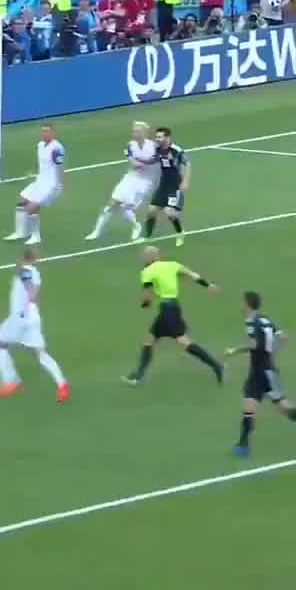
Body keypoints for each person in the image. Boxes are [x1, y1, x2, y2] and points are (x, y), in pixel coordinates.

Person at [124, 245, 223, 386]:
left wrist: (145, 303)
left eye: (144, 255)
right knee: (149, 340)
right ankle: (138, 375)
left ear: (149, 257)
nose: (142, 258)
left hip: (167, 311)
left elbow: (147, 293)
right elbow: (192, 275)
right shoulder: (172, 265)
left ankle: (216, 365)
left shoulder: (147, 272)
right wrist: (208, 285)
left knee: (183, 341)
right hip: (173, 308)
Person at [0, 247, 70, 403]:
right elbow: (34, 292)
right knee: (40, 353)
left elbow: (29, 287)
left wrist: (27, 300)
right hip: (33, 317)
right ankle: (62, 384)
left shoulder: (25, 271)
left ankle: (10, 381)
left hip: (19, 318)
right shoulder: (36, 273)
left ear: (22, 258)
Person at [225, 291, 296, 456]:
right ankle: (243, 445)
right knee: (258, 408)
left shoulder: (252, 322)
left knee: (277, 408)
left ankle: (243, 446)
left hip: (260, 373)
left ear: (247, 304)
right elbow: (283, 337)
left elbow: (254, 344)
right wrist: (271, 353)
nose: (241, 305)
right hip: (266, 370)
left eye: (243, 302)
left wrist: (234, 350)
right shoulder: (265, 320)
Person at [86, 121, 158, 242]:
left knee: (126, 208)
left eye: (138, 131)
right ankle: (96, 231)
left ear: (144, 132)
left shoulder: (154, 147)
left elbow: (154, 161)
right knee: (111, 204)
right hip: (130, 178)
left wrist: (142, 163)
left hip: (144, 182)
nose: (135, 134)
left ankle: (136, 226)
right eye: (134, 131)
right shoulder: (129, 145)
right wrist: (137, 162)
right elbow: (132, 161)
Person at [5, 124, 64, 246]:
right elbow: (40, 161)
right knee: (22, 201)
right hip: (40, 181)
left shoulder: (56, 148)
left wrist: (59, 184)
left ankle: (36, 236)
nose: (44, 134)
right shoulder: (40, 145)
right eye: (43, 132)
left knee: (31, 207)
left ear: (52, 133)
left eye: (47, 132)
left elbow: (60, 167)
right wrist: (33, 171)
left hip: (51, 184)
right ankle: (20, 232)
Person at [143, 126, 190, 246]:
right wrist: (142, 162)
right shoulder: (157, 149)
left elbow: (187, 164)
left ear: (167, 137)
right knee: (151, 211)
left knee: (169, 212)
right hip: (163, 184)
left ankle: (180, 233)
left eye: (159, 137)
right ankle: (147, 236)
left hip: (175, 185)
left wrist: (185, 181)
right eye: (156, 137)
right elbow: (153, 160)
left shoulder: (176, 150)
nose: (157, 139)